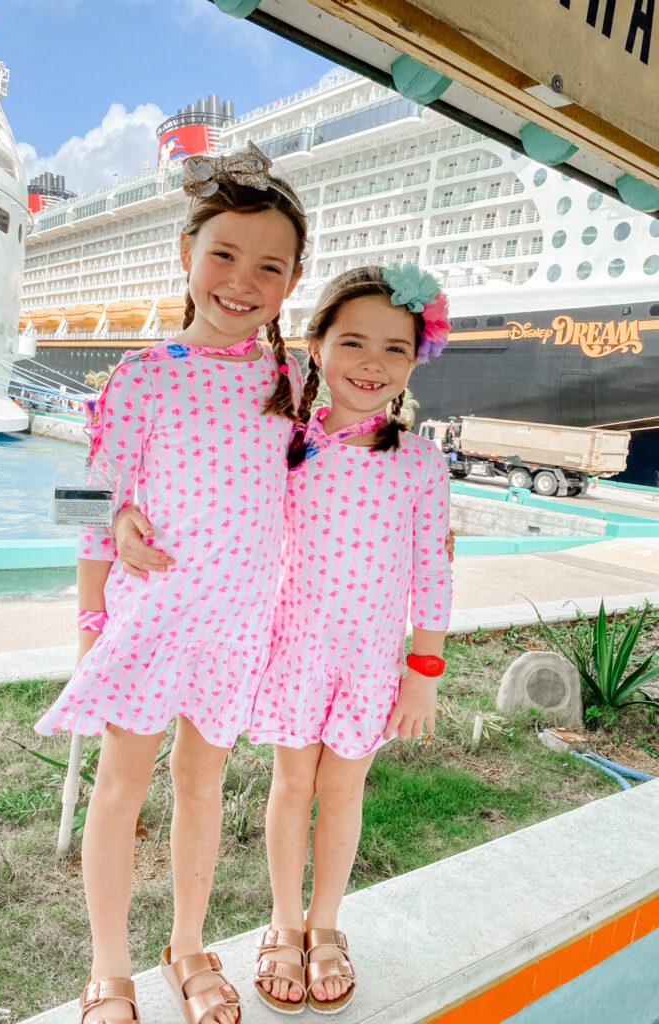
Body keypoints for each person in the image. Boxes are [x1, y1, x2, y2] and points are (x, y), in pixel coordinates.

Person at [35, 141, 306, 1024]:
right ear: (185, 258)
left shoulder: (290, 381)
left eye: (270, 265)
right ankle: (107, 968)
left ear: (292, 282)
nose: (242, 279)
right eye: (223, 254)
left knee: (204, 785)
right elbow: (90, 497)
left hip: (236, 629)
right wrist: (90, 605)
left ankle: (188, 942)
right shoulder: (144, 375)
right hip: (152, 620)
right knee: (121, 784)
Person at [246, 264, 453, 1014]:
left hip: (369, 663)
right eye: (354, 342)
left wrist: (421, 671)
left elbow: (432, 573)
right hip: (295, 651)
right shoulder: (282, 445)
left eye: (394, 349)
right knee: (291, 785)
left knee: (342, 791)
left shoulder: (421, 463)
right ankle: (282, 920)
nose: (372, 364)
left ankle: (325, 923)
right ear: (318, 346)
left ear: (414, 361)